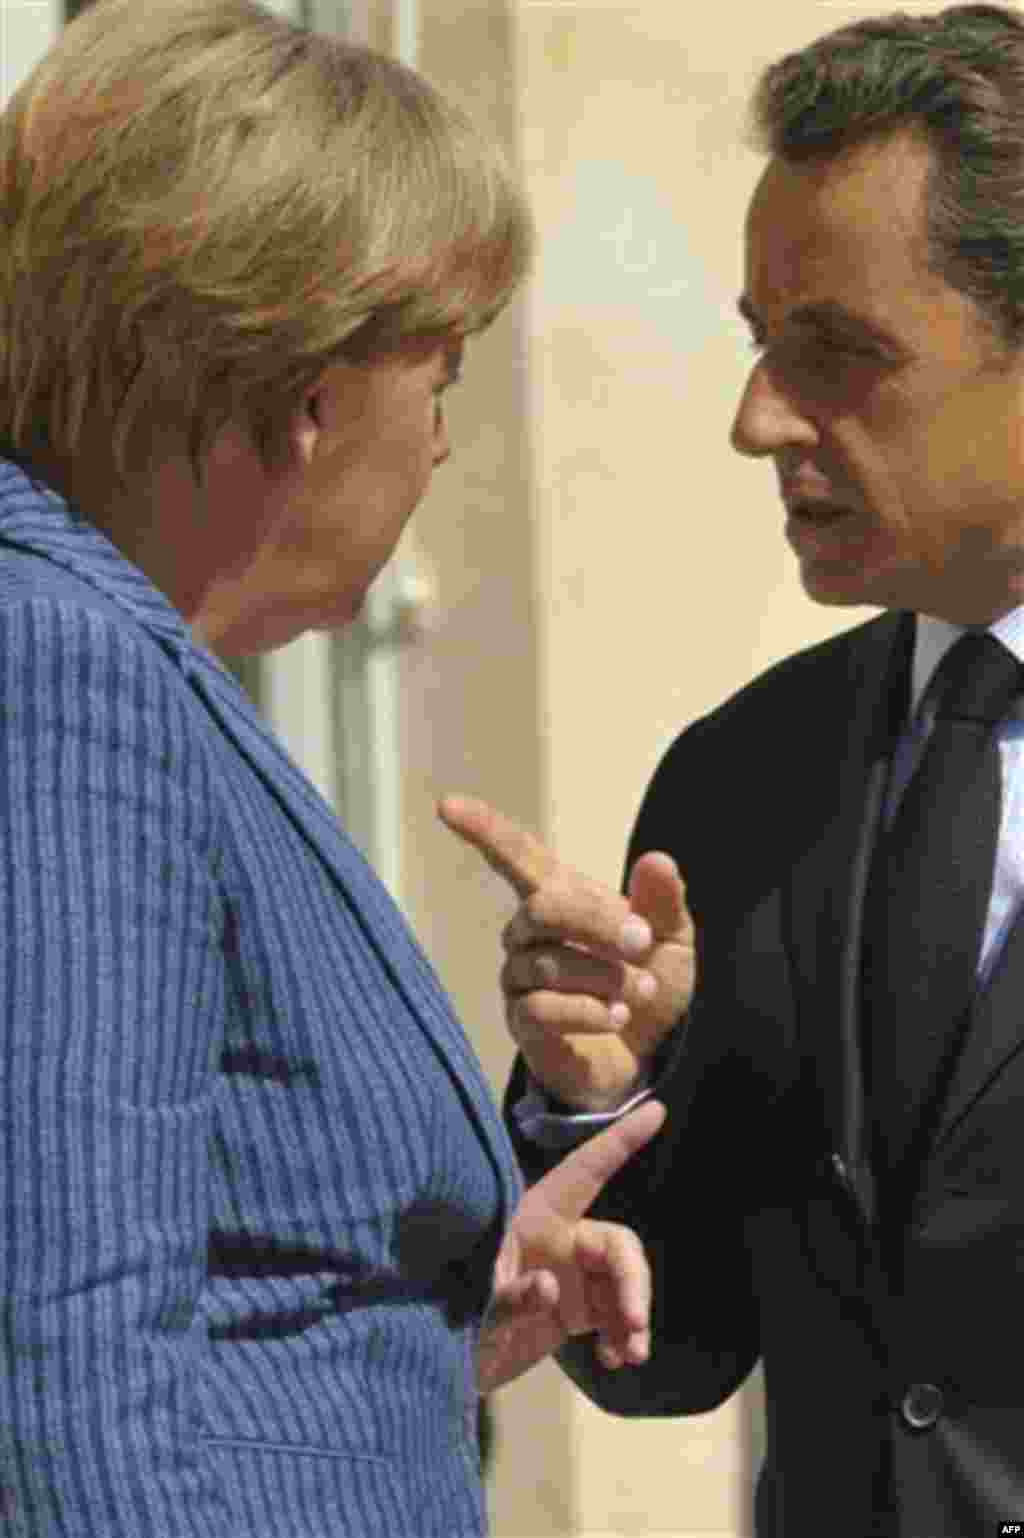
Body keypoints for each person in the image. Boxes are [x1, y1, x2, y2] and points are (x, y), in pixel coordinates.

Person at [0, 2, 667, 1533]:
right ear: (309, 391)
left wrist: (433, 1317)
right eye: (437, 371)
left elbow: (208, 1295)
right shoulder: (71, 674)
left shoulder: (138, 666)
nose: (440, 442)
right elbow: (63, 1386)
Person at [440, 5, 1024, 1534]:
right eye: (763, 342)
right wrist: (602, 1094)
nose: (757, 417)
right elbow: (673, 1350)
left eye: (836, 355)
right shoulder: (747, 775)